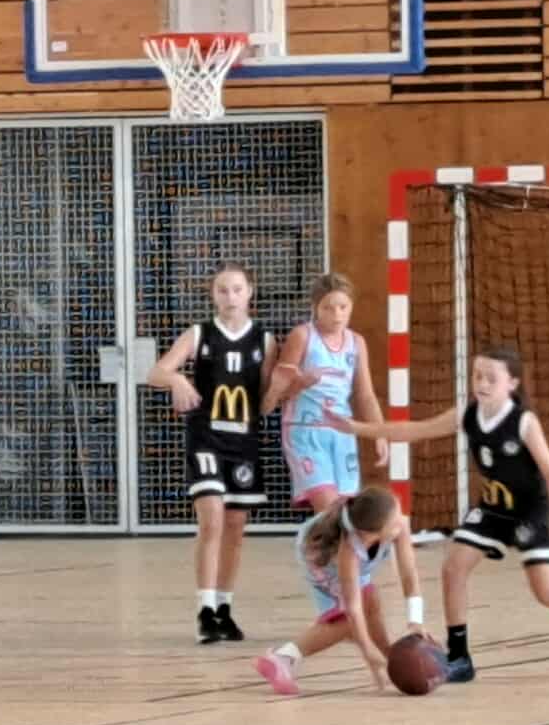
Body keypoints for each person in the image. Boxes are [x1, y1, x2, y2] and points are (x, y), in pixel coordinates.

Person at [336, 345, 549, 684]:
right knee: (453, 568)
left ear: (512, 383)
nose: (482, 383)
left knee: (546, 592)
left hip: (529, 511)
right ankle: (459, 657)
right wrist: (357, 428)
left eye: (491, 378)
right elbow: (414, 430)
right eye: (477, 376)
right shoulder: (467, 414)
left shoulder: (523, 422)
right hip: (493, 508)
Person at [269, 271, 421, 615]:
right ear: (315, 308)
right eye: (329, 308)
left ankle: (346, 585)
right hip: (305, 430)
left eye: (343, 307)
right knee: (330, 511)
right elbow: (278, 391)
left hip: (342, 434)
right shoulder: (302, 337)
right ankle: (335, 591)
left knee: (351, 515)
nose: (336, 315)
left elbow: (364, 394)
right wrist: (301, 383)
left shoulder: (356, 343)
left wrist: (378, 432)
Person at [147, 262, 276, 643]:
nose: (230, 296)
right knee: (212, 520)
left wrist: (291, 384)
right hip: (206, 438)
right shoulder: (199, 334)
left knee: (235, 528)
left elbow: (266, 400)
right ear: (213, 295)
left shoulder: (265, 341)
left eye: (237, 289)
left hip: (243, 442)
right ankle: (204, 609)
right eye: (223, 290)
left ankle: (223, 608)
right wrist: (176, 379)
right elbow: (156, 372)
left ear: (250, 292)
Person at [253, 485, 423, 696]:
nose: (401, 521)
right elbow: (353, 609)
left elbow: (409, 574)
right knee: (348, 620)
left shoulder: (395, 524)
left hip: (344, 549)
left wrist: (416, 621)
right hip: (319, 557)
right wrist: (367, 650)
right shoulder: (348, 550)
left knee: (371, 600)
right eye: (395, 521)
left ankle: (390, 661)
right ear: (370, 535)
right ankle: (284, 657)